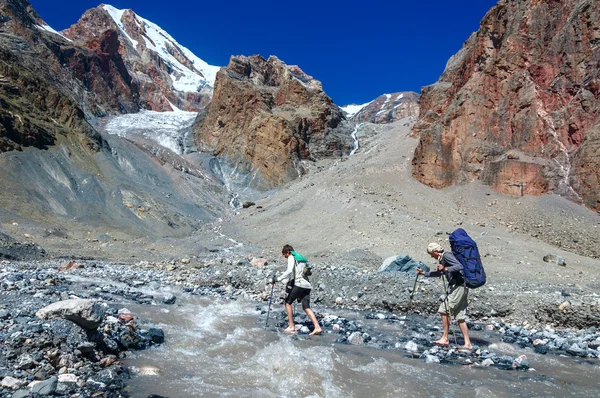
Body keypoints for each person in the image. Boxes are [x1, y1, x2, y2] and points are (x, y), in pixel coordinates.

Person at [416, 242, 472, 350]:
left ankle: (445, 338)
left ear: (435, 252)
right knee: (460, 316)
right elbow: (438, 273)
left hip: (458, 287)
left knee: (443, 310)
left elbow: (459, 266)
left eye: (431, 254)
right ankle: (468, 343)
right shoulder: (442, 259)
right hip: (461, 287)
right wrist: (424, 274)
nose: (431, 256)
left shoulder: (446, 256)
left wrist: (446, 269)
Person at [271, 244, 322, 335]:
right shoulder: (301, 257)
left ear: (287, 252)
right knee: (306, 306)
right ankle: (317, 327)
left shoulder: (291, 256)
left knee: (288, 302)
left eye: (285, 255)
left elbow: (290, 270)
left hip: (299, 284)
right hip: (307, 285)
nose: (285, 257)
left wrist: (278, 279)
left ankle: (291, 326)